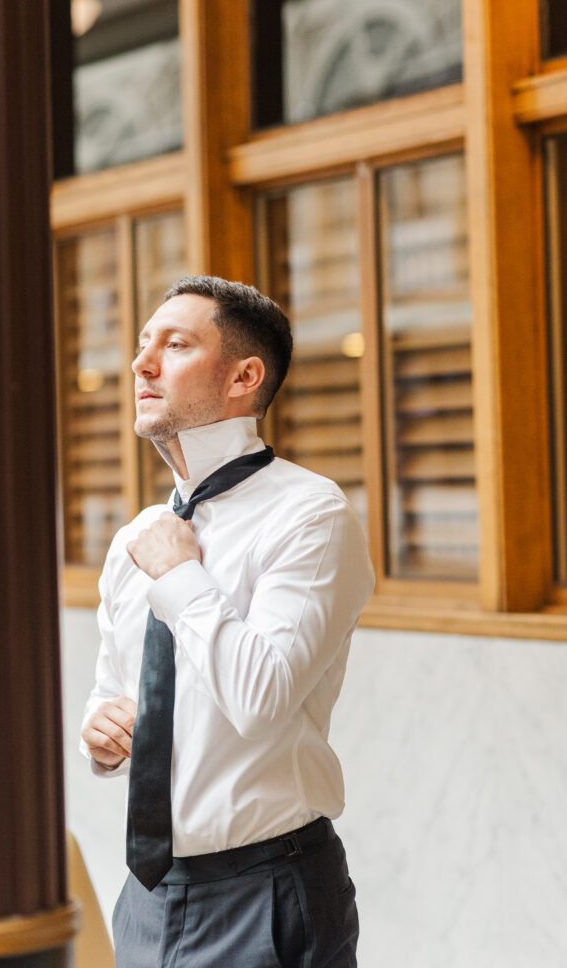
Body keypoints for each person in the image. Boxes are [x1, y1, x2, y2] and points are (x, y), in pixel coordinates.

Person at [80, 275, 375, 967]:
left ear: (245, 375)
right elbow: (112, 688)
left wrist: (182, 576)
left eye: (175, 344)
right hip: (148, 895)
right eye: (142, 343)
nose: (140, 363)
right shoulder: (140, 537)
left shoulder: (310, 515)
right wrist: (102, 733)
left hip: (265, 894)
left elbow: (262, 696)